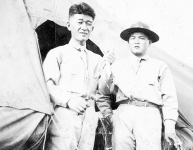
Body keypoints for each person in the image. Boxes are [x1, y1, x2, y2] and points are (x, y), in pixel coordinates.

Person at [97, 21, 182, 150]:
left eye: (141, 38)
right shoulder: (117, 65)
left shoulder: (160, 66)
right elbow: (104, 91)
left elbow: (169, 99)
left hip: (149, 115)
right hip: (123, 114)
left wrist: (170, 127)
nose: (136, 42)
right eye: (133, 38)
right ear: (128, 42)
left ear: (149, 42)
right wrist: (106, 69)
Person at [43, 2, 115, 150]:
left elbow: (104, 91)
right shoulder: (57, 54)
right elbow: (47, 87)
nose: (84, 27)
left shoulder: (97, 59)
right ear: (69, 25)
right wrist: (69, 100)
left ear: (92, 28)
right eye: (80, 22)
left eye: (88, 23)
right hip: (64, 116)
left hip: (89, 118)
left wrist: (108, 66)